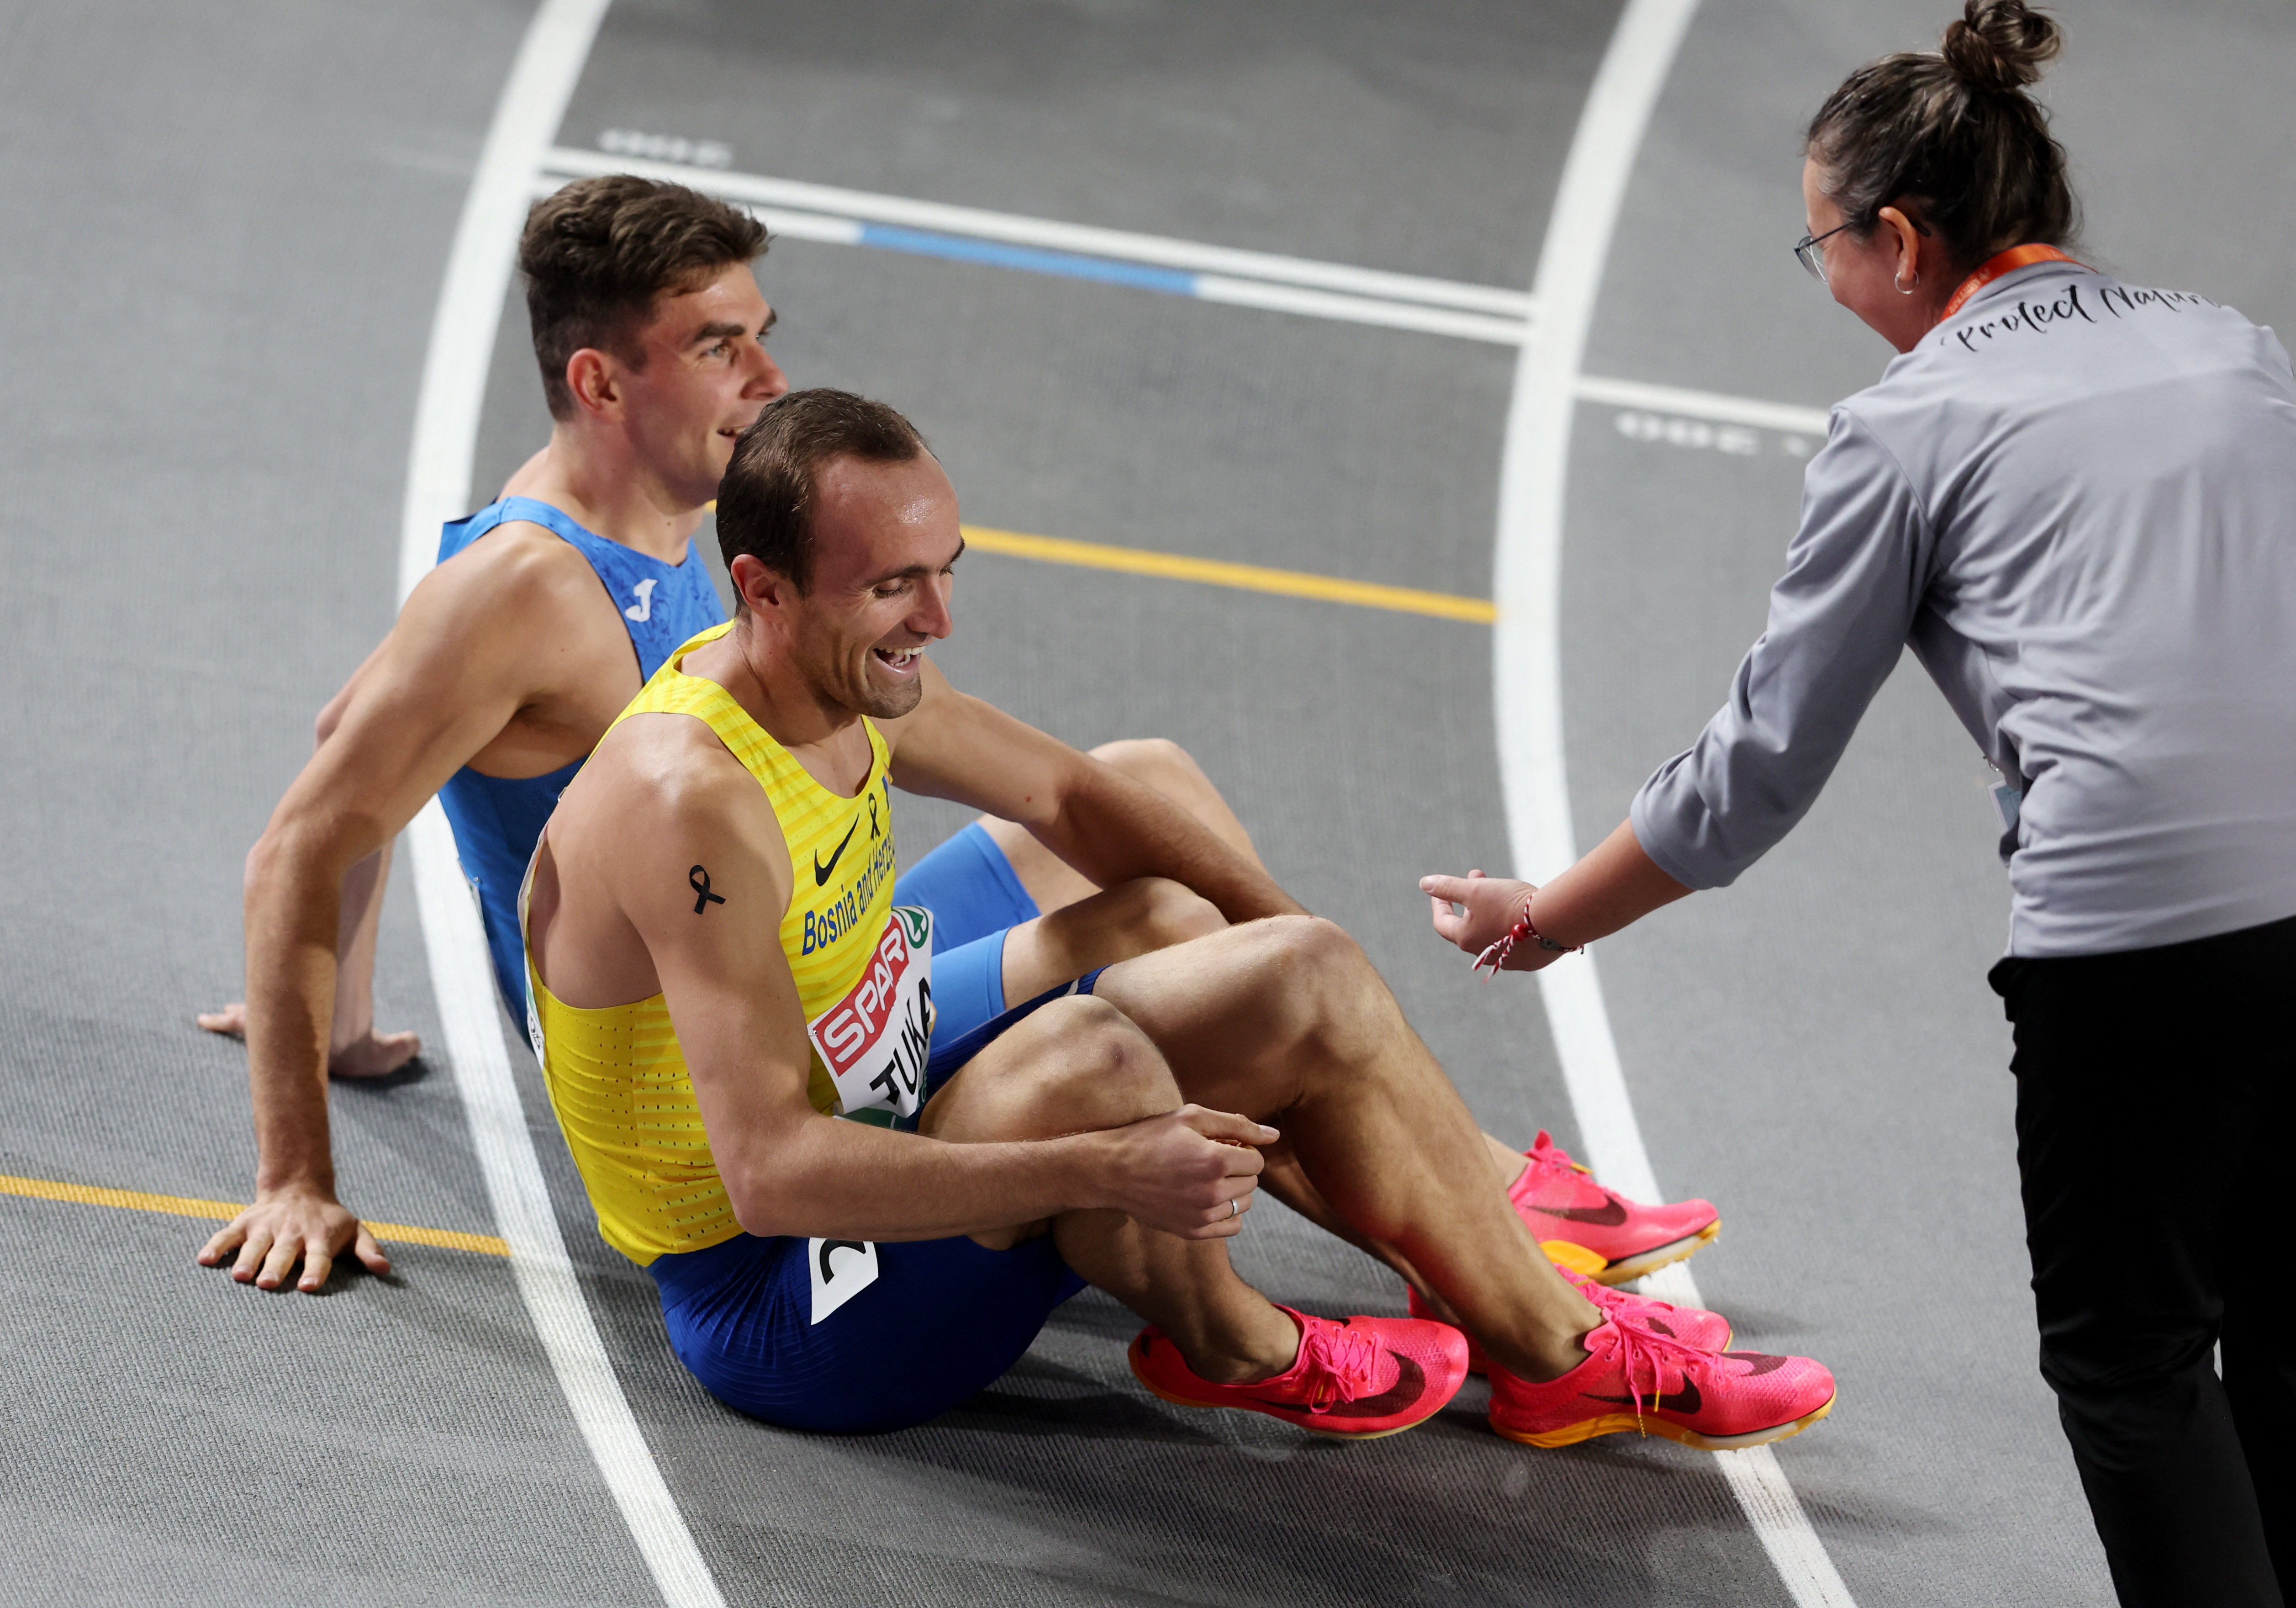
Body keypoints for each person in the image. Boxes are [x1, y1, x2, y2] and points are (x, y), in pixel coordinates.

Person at [200, 182, 1721, 1303]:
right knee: (1176, 942)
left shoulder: (674, 522)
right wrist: (295, 1172)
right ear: (600, 382)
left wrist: (350, 1027)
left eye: (762, 337)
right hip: (709, 1034)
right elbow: (309, 834)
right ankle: (1468, 1232)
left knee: (1146, 792)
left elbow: (349, 733)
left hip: (813, 946)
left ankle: (1449, 1169)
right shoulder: (523, 589)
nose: (766, 381)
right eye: (719, 348)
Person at [520, 386, 1839, 1448]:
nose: (939, 619)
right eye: (893, 588)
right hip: (774, 1292)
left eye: (946, 572)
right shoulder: (694, 807)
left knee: (1280, 951)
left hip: (875, 1064)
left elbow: (1075, 795)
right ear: (763, 591)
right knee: (1092, 1066)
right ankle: (1261, 1343)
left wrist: (1335, 1003)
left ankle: (1501, 1273)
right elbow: (770, 1178)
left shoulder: (836, 678)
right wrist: (1103, 1169)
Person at [1423, 2, 2294, 1598]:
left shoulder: (1907, 424)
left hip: (2138, 940)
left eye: (1817, 243)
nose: (1822, 277)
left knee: (2132, 1359)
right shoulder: (2237, 345)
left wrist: (1548, 914)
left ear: (1897, 238)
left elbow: (1757, 768)